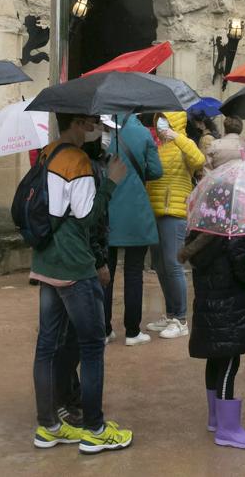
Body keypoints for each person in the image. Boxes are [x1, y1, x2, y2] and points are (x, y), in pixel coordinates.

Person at [31, 113, 133, 455]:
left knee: (47, 346)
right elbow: (88, 217)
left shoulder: (48, 152)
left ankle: (48, 427)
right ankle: (94, 428)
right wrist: (112, 181)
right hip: (75, 266)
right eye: (91, 120)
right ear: (77, 122)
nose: (96, 127)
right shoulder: (78, 161)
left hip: (46, 263)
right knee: (91, 347)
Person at [178, 231, 245, 448]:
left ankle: (215, 419)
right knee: (229, 362)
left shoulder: (199, 235)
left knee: (215, 359)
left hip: (210, 311)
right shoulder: (233, 235)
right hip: (229, 312)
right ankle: (228, 429)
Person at [102, 114, 162, 346]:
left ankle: (104, 329)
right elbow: (156, 171)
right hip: (136, 211)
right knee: (134, 273)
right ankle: (133, 331)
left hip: (107, 211)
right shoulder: (143, 133)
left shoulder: (102, 132)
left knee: (106, 273)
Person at [146, 111, 205, 338]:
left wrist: (176, 137)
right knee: (160, 266)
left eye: (165, 119)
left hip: (175, 212)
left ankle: (181, 320)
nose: (160, 123)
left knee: (173, 265)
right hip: (156, 211)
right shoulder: (159, 146)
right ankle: (171, 314)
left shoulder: (184, 143)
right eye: (158, 119)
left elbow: (198, 160)